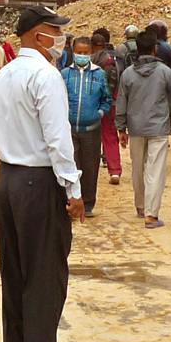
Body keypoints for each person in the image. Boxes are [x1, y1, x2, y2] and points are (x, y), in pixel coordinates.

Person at [0, 4, 85, 342]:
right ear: (35, 35)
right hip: (38, 181)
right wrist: (74, 188)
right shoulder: (45, 76)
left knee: (14, 273)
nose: (60, 38)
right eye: (54, 30)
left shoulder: (6, 74)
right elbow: (57, 139)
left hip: (9, 179)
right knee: (45, 274)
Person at [116, 30, 171, 228]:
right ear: (155, 48)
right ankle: (151, 215)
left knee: (137, 169)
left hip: (135, 128)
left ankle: (140, 206)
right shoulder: (164, 71)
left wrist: (121, 128)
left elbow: (121, 101)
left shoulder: (128, 74)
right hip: (158, 127)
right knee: (155, 170)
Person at [59, 31, 112, 217]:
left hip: (91, 129)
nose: (82, 55)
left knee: (90, 167)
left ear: (90, 53)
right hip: (70, 129)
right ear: (73, 52)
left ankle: (88, 204)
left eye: (85, 52)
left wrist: (99, 113)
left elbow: (107, 98)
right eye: (79, 52)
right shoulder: (64, 74)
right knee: (71, 166)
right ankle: (70, 202)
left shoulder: (99, 74)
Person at [91, 27, 124, 186]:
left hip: (91, 105)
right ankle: (115, 170)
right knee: (110, 136)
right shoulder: (114, 59)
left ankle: (89, 171)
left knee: (89, 139)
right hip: (111, 104)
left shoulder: (91, 60)